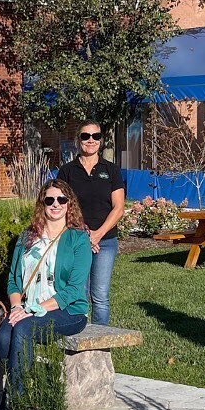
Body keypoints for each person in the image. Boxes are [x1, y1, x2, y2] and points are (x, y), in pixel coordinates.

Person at [0, 179, 91, 410]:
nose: (55, 205)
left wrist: (31, 310)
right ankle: (28, 389)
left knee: (22, 330)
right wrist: (16, 307)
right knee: (4, 336)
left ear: (69, 204)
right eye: (50, 200)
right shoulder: (27, 237)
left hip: (67, 311)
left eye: (61, 200)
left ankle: (11, 405)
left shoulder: (78, 239)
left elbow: (74, 290)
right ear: (42, 203)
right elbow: (13, 280)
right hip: (26, 308)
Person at [56, 120, 126, 326]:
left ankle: (100, 347)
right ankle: (77, 341)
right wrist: (84, 235)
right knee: (79, 295)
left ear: (101, 140)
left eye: (96, 136)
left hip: (105, 241)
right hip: (76, 241)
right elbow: (61, 207)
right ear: (78, 140)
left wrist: (97, 235)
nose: (91, 140)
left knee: (100, 296)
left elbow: (119, 208)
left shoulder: (111, 170)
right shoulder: (67, 171)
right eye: (85, 136)